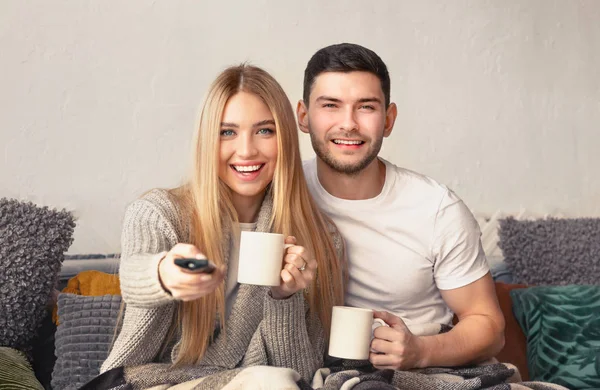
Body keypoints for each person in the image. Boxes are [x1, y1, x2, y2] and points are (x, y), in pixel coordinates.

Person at [99, 64, 345, 385]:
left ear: (284, 137)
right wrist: (163, 273)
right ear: (207, 140)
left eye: (264, 130)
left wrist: (284, 298)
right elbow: (134, 273)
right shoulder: (159, 213)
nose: (246, 150)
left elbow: (303, 374)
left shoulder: (319, 237)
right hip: (151, 381)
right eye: (227, 132)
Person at [297, 43, 505, 371]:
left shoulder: (437, 209)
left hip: (422, 370)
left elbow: (489, 327)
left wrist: (421, 351)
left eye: (366, 107)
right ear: (304, 116)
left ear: (389, 119)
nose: (348, 123)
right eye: (331, 106)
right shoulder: (281, 193)